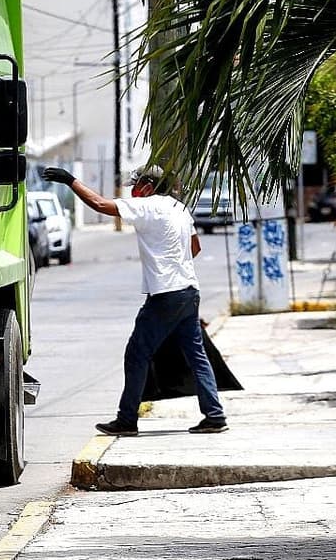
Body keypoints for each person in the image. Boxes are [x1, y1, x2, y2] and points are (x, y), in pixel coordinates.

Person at [41, 164, 228, 436]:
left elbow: (99, 204)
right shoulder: (180, 208)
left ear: (149, 187)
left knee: (137, 354)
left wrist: (70, 181)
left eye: (136, 186)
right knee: (196, 355)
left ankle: (127, 419)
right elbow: (195, 247)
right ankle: (214, 415)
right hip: (189, 290)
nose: (133, 191)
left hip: (165, 294)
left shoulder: (148, 206)